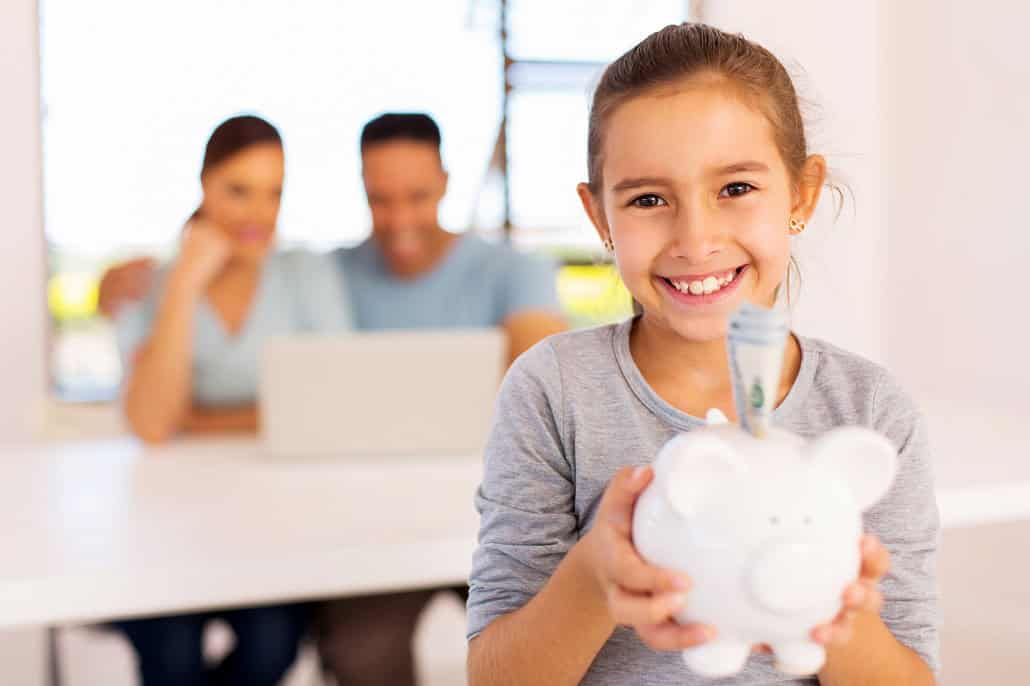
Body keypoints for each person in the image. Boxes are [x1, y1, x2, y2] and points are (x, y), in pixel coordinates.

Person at [466, 23, 938, 686]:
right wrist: (595, 576)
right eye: (648, 200)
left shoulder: (868, 411)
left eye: (736, 189)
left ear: (800, 194)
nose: (695, 239)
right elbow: (495, 677)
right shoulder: (553, 392)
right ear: (600, 217)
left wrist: (827, 603)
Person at [100, 113, 567, 684]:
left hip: (495, 514)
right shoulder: (336, 269)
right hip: (354, 522)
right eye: (380, 199)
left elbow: (540, 382)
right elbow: (305, 405)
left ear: (446, 181)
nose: (398, 220)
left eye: (417, 196)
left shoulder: (507, 272)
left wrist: (194, 421)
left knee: (546, 638)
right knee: (348, 647)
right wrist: (163, 279)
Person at [114, 114, 349, 685]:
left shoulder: (305, 273)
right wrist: (185, 283)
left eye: (274, 193)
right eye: (238, 191)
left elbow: (332, 402)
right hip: (167, 525)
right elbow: (151, 424)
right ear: (203, 185)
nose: (258, 213)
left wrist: (195, 419)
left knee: (272, 644)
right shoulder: (156, 284)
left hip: (273, 524)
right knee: (169, 652)